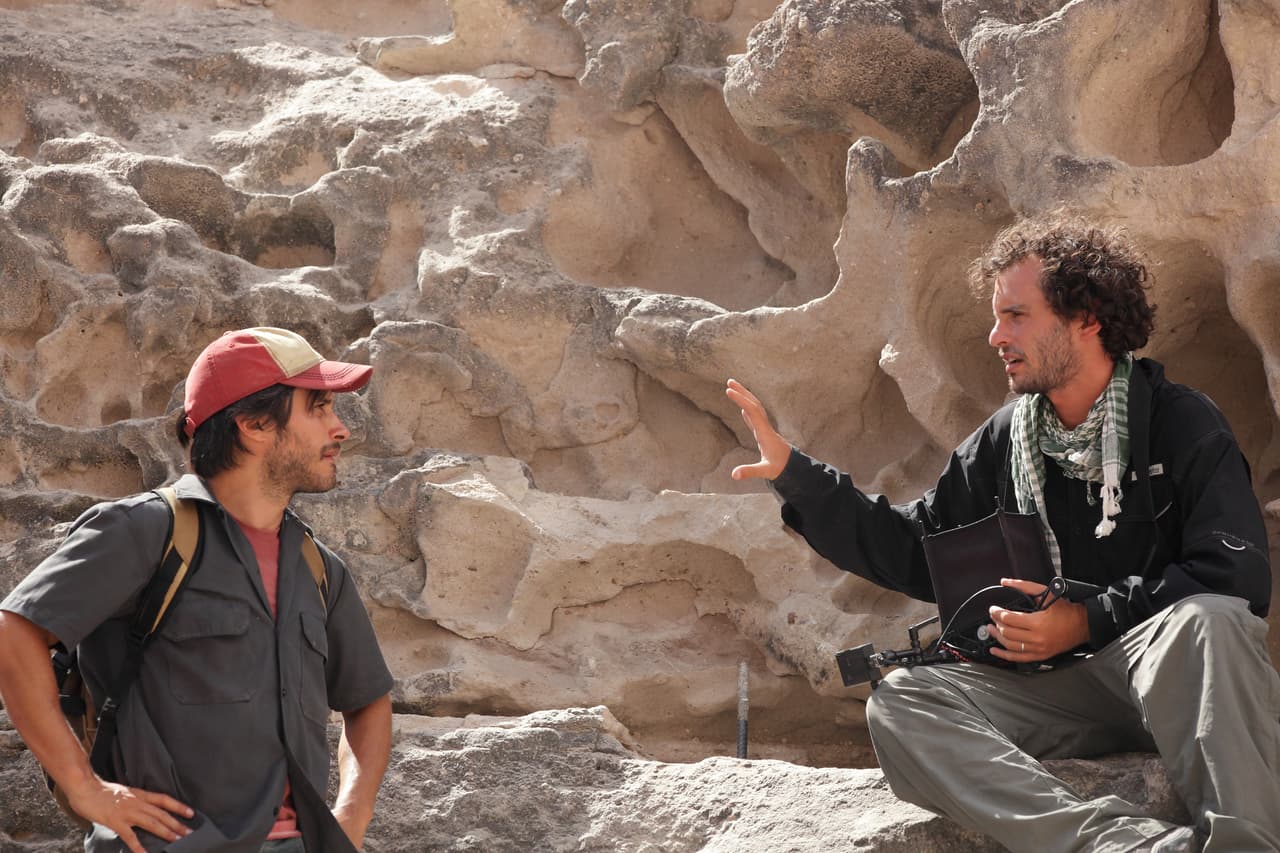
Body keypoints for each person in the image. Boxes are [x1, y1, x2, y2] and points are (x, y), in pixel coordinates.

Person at [726, 217, 1279, 851]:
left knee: (1211, 619)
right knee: (901, 701)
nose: (996, 337)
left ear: (1087, 318)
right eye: (996, 319)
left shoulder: (1180, 422)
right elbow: (916, 551)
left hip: (1167, 674)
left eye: (1016, 316)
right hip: (1050, 691)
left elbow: (1236, 575)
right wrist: (797, 477)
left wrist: (1084, 620)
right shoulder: (1005, 439)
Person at [0, 327, 394, 853]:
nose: (340, 429)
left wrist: (350, 816)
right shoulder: (144, 532)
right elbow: (14, 633)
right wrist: (85, 788)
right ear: (254, 424)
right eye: (318, 408)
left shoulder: (319, 567)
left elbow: (367, 701)